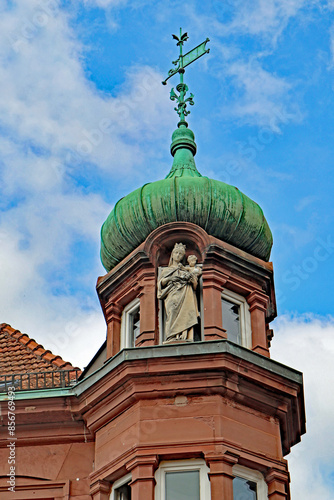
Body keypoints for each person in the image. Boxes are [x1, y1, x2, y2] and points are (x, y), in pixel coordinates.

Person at [157, 243, 200, 342]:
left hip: (185, 294)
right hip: (172, 295)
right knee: (172, 312)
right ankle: (171, 337)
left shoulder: (185, 270)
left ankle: (184, 336)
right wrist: (171, 278)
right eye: (176, 253)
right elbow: (161, 283)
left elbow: (194, 285)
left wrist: (190, 278)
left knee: (187, 313)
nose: (177, 255)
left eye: (180, 254)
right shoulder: (166, 270)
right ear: (172, 254)